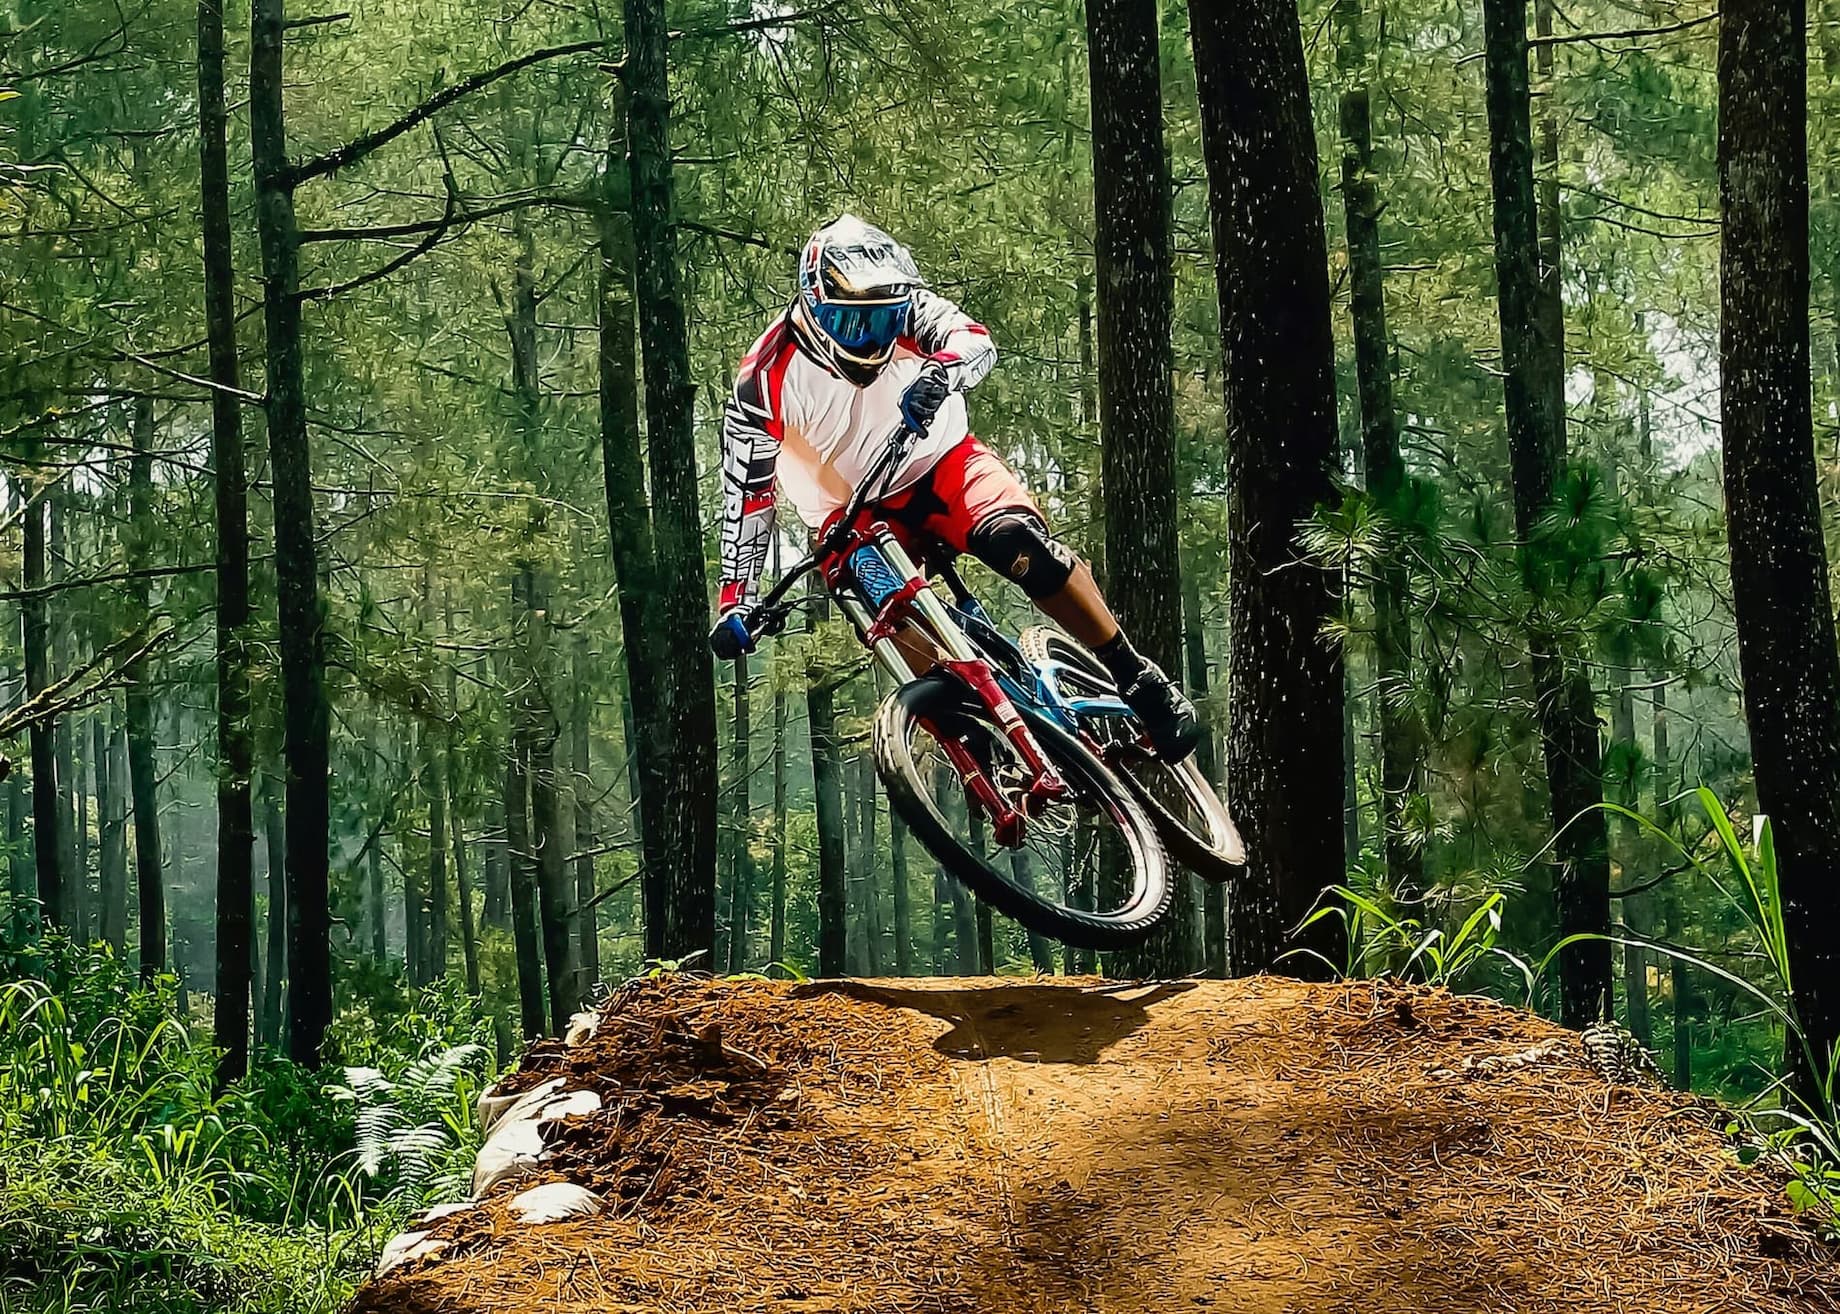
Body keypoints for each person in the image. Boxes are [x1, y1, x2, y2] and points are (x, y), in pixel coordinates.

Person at [707, 214, 1200, 763]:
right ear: (814, 305)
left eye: (885, 325)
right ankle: (972, 735)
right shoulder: (765, 378)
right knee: (888, 612)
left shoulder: (911, 308)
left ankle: (1137, 675)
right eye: (854, 327)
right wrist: (737, 601)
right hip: (851, 515)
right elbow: (748, 494)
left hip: (942, 461)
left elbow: (971, 339)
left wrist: (941, 372)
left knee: (1017, 542)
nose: (873, 342)